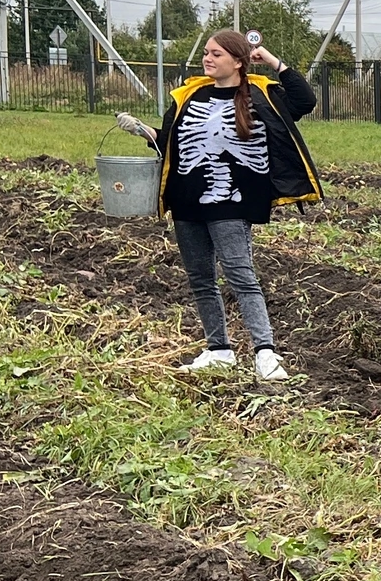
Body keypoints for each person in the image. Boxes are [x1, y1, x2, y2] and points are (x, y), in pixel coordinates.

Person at [130, 26, 322, 382]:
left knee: (240, 276)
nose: (207, 59)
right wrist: (144, 131)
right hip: (187, 201)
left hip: (232, 202)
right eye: (206, 52)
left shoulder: (262, 94)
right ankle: (219, 349)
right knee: (201, 278)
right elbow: (168, 140)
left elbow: (305, 100)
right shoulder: (189, 97)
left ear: (237, 61)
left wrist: (272, 61)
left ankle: (265, 352)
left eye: (216, 54)